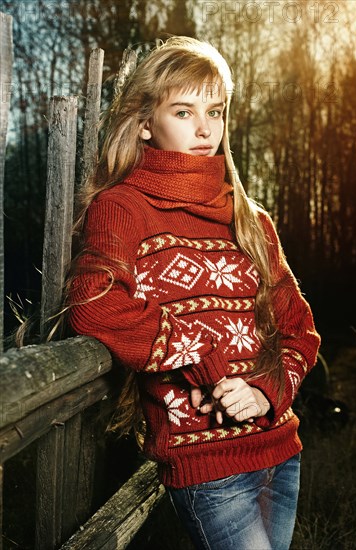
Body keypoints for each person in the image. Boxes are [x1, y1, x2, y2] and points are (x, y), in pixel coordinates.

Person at [67, 36, 321, 550]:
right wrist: (202, 358)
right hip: (206, 463)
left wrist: (265, 391)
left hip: (279, 448)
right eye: (184, 111)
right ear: (144, 123)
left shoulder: (251, 220)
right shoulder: (124, 208)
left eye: (216, 111)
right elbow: (95, 304)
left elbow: (300, 332)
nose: (205, 129)